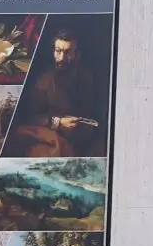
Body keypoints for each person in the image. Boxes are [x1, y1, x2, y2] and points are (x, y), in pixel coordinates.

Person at [9, 28, 109, 157]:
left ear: (77, 54)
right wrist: (59, 122)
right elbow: (28, 117)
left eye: (67, 52)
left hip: (87, 137)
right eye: (58, 51)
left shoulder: (89, 77)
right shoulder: (43, 81)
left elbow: (101, 110)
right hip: (54, 136)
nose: (62, 58)